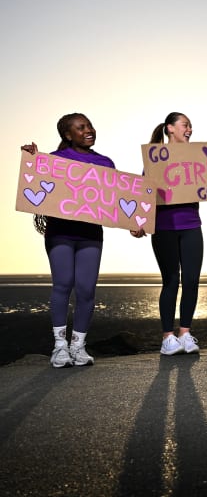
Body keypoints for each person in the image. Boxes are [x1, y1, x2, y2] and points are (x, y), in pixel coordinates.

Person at [20, 113, 113, 367]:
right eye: (80, 128)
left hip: (90, 234)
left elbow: (114, 201)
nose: (88, 130)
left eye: (90, 125)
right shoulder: (55, 160)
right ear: (68, 135)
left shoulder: (105, 163)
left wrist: (135, 224)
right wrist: (33, 159)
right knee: (63, 284)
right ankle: (59, 347)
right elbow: (37, 188)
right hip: (60, 233)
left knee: (86, 290)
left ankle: (78, 346)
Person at [138, 112, 203, 355]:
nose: (189, 129)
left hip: (192, 225)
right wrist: (141, 222)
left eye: (190, 126)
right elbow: (145, 193)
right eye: (185, 125)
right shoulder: (155, 159)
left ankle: (185, 333)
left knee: (192, 280)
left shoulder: (199, 157)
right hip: (164, 228)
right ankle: (167, 338)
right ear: (170, 129)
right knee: (171, 281)